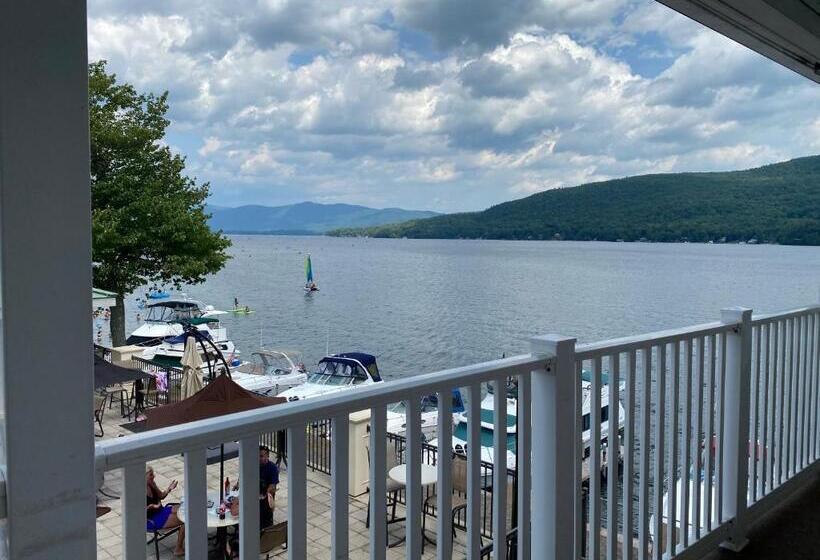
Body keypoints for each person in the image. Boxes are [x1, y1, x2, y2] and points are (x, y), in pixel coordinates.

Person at [232, 445, 279, 528]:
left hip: (264, 498)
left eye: (262, 456)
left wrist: (267, 492)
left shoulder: (272, 468)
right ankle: (240, 527)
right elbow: (243, 475)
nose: (259, 458)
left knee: (261, 517)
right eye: (258, 456)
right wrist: (238, 484)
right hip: (251, 495)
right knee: (235, 504)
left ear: (267, 456)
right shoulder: (252, 465)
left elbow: (273, 485)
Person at [146, 466, 185, 557]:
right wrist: (150, 506)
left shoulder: (151, 484)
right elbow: (136, 514)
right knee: (186, 518)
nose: (154, 476)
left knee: (185, 508)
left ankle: (187, 535)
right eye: (151, 475)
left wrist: (170, 488)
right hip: (151, 520)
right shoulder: (138, 492)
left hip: (161, 511)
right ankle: (178, 549)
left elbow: (161, 496)